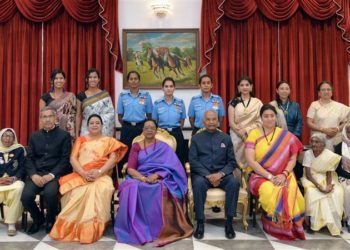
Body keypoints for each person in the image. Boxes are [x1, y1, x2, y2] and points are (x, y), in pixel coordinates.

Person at [50, 114, 127, 244]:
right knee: (74, 192)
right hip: (81, 175)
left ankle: (92, 228)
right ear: (87, 126)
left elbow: (113, 159)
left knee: (99, 189)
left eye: (98, 123)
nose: (95, 125)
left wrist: (99, 172)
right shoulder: (81, 140)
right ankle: (73, 228)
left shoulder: (109, 140)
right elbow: (73, 159)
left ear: (102, 125)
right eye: (92, 123)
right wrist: (83, 173)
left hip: (102, 176)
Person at [114, 119, 192, 246]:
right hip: (139, 176)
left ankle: (157, 229)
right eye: (146, 127)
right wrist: (143, 178)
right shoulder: (136, 146)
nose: (149, 129)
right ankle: (136, 227)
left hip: (159, 178)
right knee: (131, 187)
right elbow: (131, 168)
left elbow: (172, 166)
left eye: (152, 127)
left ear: (156, 130)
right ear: (143, 130)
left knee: (158, 188)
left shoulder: (164, 147)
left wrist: (156, 175)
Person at [245, 104, 305, 240]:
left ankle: (292, 225)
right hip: (258, 175)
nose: (269, 119)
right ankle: (277, 225)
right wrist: (270, 177)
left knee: (289, 189)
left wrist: (283, 174)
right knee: (269, 190)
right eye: (265, 116)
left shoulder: (285, 135)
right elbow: (251, 161)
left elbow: (292, 158)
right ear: (261, 118)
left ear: (276, 118)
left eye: (272, 116)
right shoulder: (253, 134)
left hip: (283, 174)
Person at [189, 110, 240, 239]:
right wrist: (208, 175)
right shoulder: (196, 138)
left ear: (218, 121)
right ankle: (200, 223)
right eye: (208, 119)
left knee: (234, 183)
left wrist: (220, 174)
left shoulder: (226, 138)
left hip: (222, 174)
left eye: (214, 119)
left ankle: (229, 223)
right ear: (203, 122)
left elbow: (232, 162)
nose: (211, 122)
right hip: (203, 175)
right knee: (198, 183)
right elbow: (193, 161)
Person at [21, 107, 72, 234]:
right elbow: (29, 159)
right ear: (41, 120)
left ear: (56, 118)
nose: (47, 119)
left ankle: (50, 220)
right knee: (26, 197)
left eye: (50, 116)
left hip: (54, 174)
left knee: (50, 194)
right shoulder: (34, 136)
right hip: (37, 174)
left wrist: (51, 174)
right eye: (44, 117)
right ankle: (38, 219)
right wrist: (33, 175)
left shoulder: (64, 136)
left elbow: (65, 159)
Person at [301, 133, 344, 236]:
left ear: (323, 144)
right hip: (310, 179)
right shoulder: (308, 154)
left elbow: (329, 173)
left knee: (336, 193)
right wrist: (319, 187)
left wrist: (328, 186)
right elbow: (308, 174)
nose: (314, 144)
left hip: (326, 177)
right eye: (312, 141)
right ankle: (312, 224)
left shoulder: (328, 155)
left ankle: (334, 224)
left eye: (317, 142)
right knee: (312, 193)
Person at [117, 71, 153, 172]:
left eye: (135, 79)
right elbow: (120, 116)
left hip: (141, 128)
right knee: (126, 152)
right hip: (127, 128)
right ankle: (125, 174)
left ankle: (142, 172)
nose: (133, 81)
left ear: (139, 81)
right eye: (131, 79)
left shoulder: (146, 96)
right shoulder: (123, 96)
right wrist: (127, 125)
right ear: (128, 81)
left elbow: (149, 115)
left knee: (142, 151)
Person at [270, 80, 304, 180]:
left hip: (294, 137)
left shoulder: (295, 105)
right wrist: (281, 137)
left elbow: (299, 122)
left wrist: (293, 137)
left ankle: (294, 182)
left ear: (290, 91)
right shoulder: (272, 105)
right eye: (281, 88)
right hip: (277, 138)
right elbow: (270, 123)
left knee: (294, 162)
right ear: (277, 90)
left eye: (287, 89)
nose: (284, 91)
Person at [228, 76, 262, 169]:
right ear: (238, 88)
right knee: (237, 161)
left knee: (253, 158)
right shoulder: (233, 102)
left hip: (253, 134)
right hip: (236, 135)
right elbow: (231, 123)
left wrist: (246, 130)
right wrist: (241, 133)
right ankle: (239, 182)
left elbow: (260, 121)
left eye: (247, 85)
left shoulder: (258, 103)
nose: (244, 87)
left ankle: (252, 181)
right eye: (242, 85)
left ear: (251, 87)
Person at [152, 77, 186, 165]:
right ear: (162, 88)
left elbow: (182, 120)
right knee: (162, 158)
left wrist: (177, 129)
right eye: (166, 86)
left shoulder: (180, 103)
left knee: (179, 158)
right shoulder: (157, 104)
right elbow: (154, 120)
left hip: (176, 133)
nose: (169, 88)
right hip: (162, 134)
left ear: (174, 88)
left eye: (171, 86)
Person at [307, 80, 350, 150]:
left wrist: (337, 129)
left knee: (335, 160)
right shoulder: (314, 105)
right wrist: (324, 130)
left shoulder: (339, 106)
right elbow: (309, 123)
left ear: (332, 92)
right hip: (318, 142)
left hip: (336, 141)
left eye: (328, 89)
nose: (326, 92)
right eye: (323, 90)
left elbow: (347, 121)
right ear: (319, 93)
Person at [0, 128, 26, 236]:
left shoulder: (19, 149)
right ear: (1, 137)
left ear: (14, 138)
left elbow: (23, 167)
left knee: (20, 188)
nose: (7, 138)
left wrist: (14, 178)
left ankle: (11, 223)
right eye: (5, 136)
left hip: (14, 180)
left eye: (10, 136)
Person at [76, 68, 115, 137]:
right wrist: (76, 135)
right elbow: (78, 115)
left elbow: (110, 114)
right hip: (86, 131)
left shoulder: (105, 95)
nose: (92, 79)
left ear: (98, 79)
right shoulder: (81, 96)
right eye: (90, 77)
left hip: (102, 132)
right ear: (86, 80)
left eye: (95, 77)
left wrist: (97, 124)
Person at [39, 68, 77, 140]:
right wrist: (42, 136)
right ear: (51, 81)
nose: (59, 80)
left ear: (64, 80)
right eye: (56, 78)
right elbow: (41, 118)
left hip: (68, 132)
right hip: (50, 131)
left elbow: (75, 115)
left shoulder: (71, 96)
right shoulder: (45, 97)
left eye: (61, 78)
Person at [334, 124, 350, 232]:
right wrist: (348, 176)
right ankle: (349, 219)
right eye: (348, 132)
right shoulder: (339, 146)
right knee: (348, 190)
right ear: (344, 132)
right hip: (343, 176)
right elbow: (337, 167)